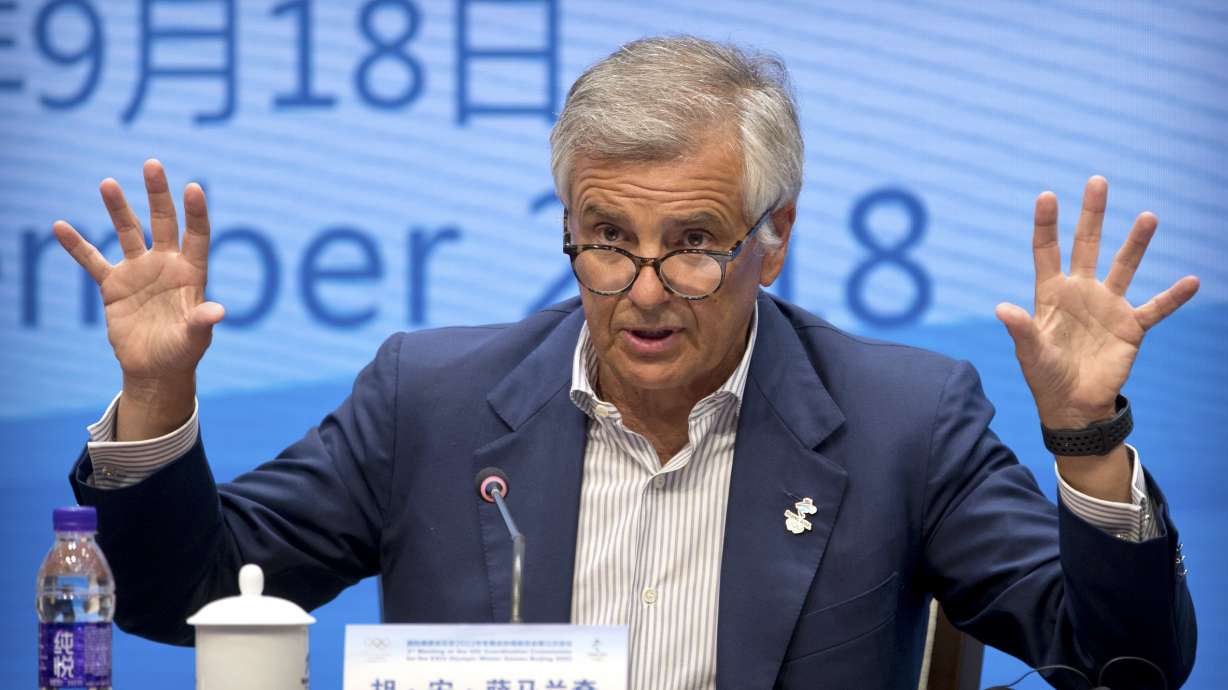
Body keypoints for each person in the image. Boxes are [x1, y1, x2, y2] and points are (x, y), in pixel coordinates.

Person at [55, 37, 1197, 689]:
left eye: (693, 243)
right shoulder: (430, 402)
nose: (643, 290)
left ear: (773, 239)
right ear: (568, 223)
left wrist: (1088, 440)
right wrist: (157, 393)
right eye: (607, 238)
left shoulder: (904, 418)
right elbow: (181, 595)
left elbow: (1123, 664)